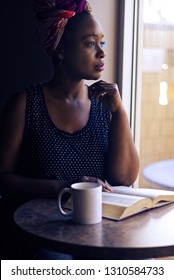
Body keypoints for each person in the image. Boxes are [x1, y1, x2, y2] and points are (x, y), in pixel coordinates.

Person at [0, 0, 139, 259]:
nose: (102, 53)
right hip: (37, 232)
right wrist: (63, 187)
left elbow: (123, 177)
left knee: (144, 263)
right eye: (90, 43)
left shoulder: (104, 105)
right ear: (61, 50)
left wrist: (119, 113)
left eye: (102, 42)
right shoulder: (25, 103)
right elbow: (3, 178)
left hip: (93, 232)